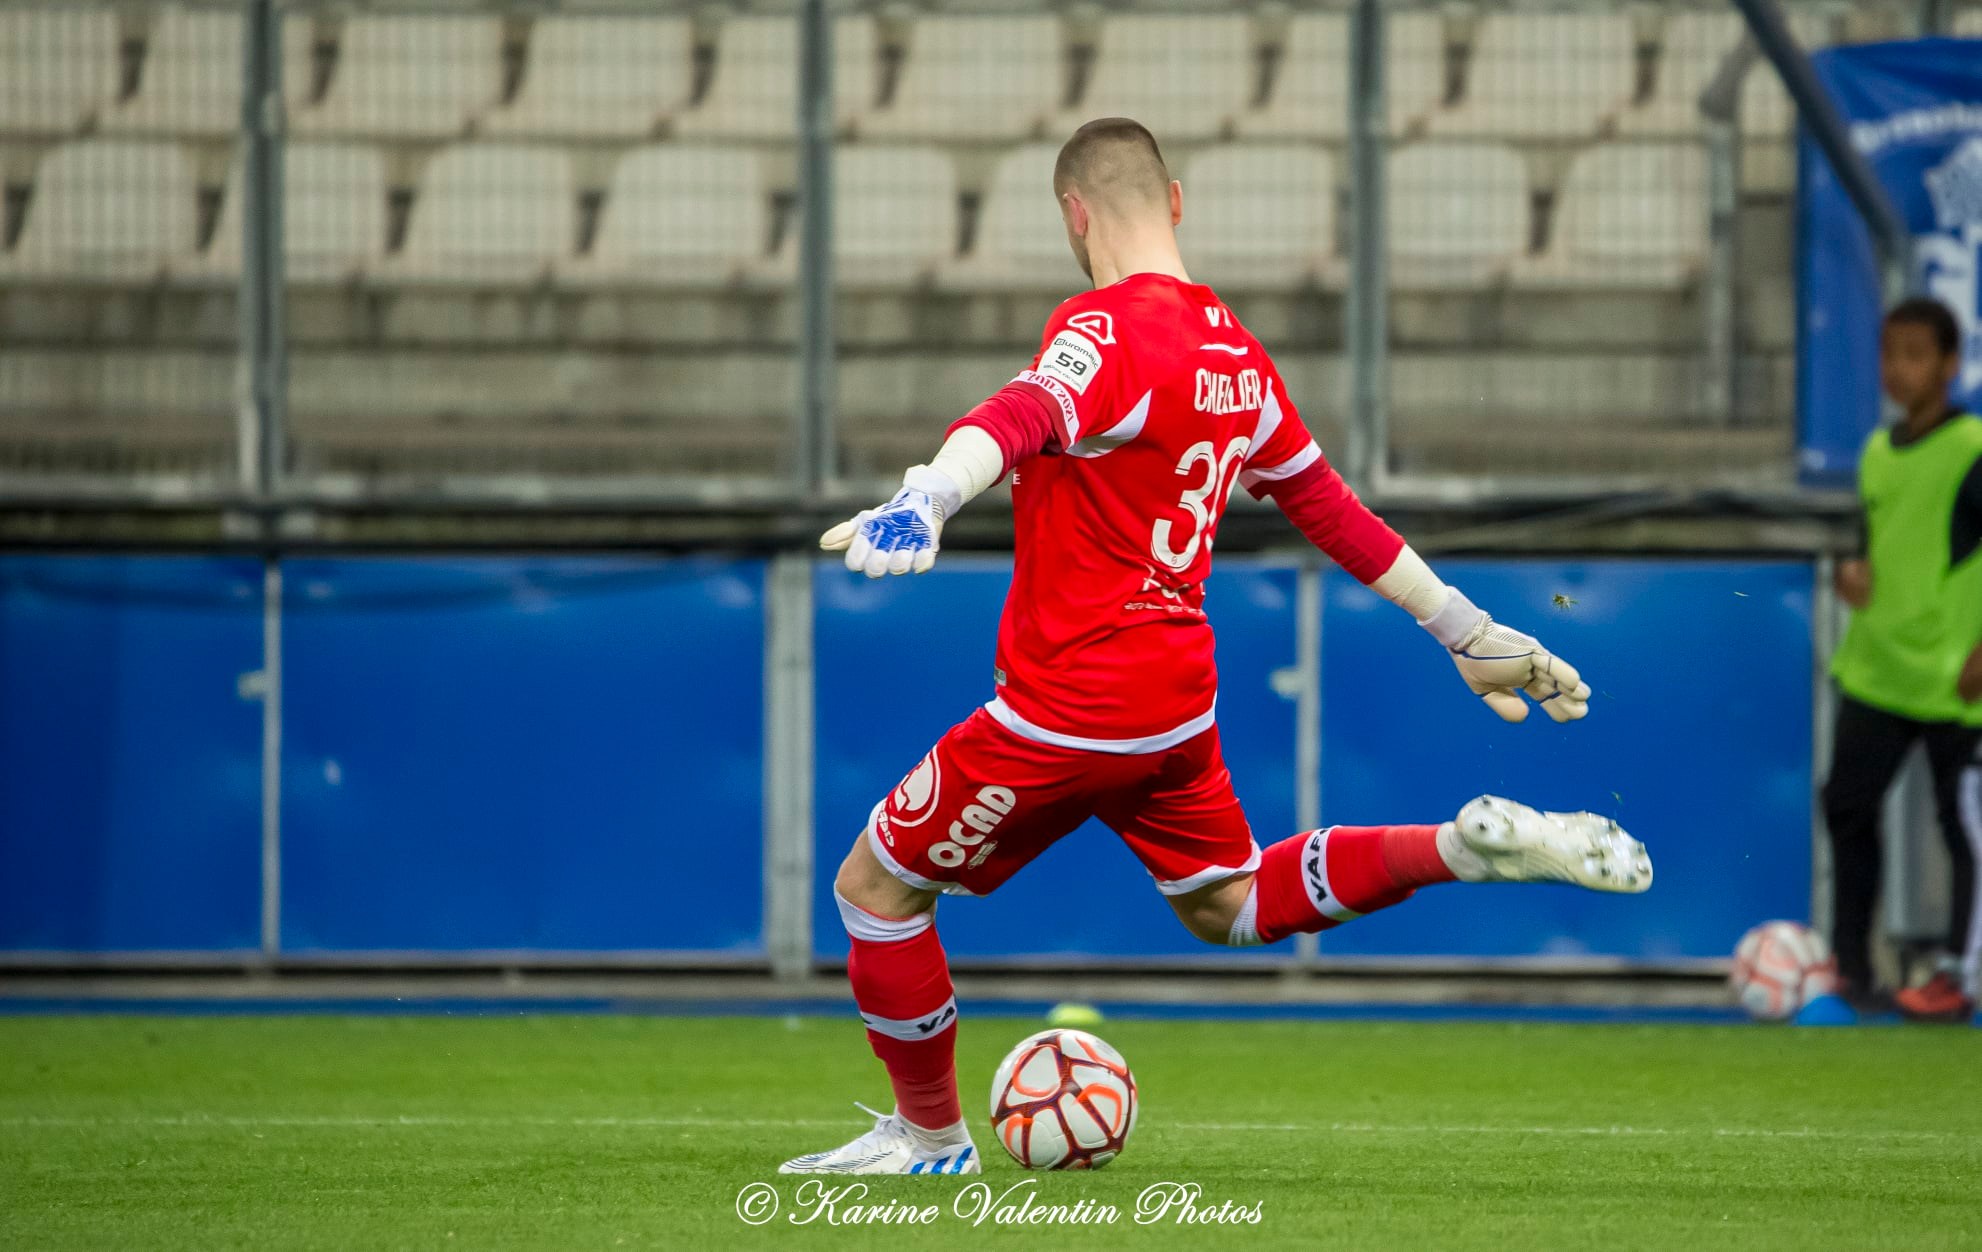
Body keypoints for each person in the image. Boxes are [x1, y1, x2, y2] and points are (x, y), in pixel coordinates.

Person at [781, 119, 1652, 1177]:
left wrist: (927, 493)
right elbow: (1328, 507)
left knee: (873, 889)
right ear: (1177, 202)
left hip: (1068, 700)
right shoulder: (1235, 352)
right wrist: (1467, 632)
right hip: (1175, 704)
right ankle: (1459, 847)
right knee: (1225, 902)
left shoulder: (1101, 327)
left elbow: (1019, 412)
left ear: (1074, 214)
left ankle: (928, 1140)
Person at [1824, 296, 1982, 1023]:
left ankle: (1957, 972)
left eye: (1916, 354)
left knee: (1967, 830)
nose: (1898, 368)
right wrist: (1848, 576)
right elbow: (1865, 549)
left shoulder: (1973, 450)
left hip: (1959, 678)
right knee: (1847, 810)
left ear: (1951, 366)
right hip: (1879, 670)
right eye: (1890, 353)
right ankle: (1852, 970)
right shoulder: (1877, 451)